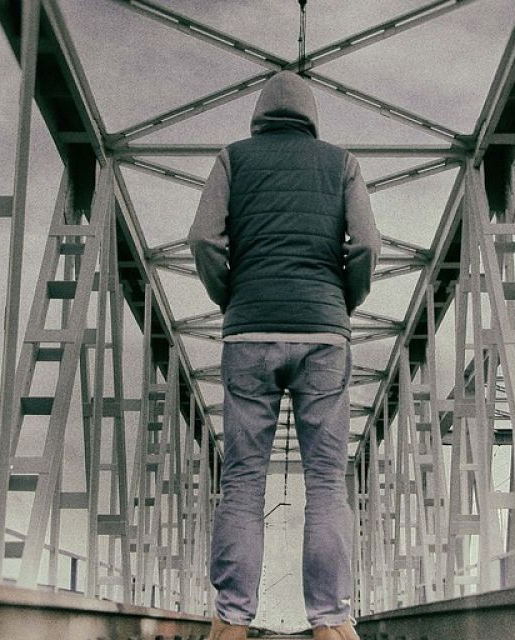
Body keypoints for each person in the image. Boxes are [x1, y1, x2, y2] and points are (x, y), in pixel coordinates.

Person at [189, 70, 380, 640]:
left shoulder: (232, 159)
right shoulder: (342, 163)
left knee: (244, 480)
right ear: (311, 115)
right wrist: (342, 301)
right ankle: (331, 622)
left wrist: (232, 296)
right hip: (325, 336)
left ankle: (231, 620)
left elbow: (202, 239)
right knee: (326, 482)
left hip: (248, 333)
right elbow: (367, 245)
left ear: (259, 114)